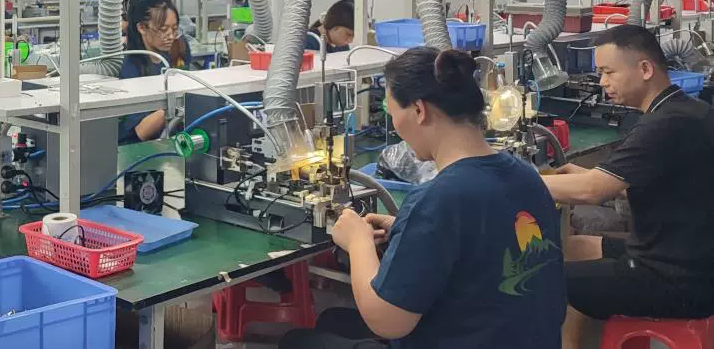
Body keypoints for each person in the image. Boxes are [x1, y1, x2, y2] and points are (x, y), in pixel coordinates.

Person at [280, 47, 565, 349]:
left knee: (297, 341)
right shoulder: (526, 175)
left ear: (419, 110)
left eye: (393, 115)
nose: (395, 127)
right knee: (333, 321)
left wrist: (358, 242)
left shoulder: (440, 198)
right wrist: (407, 228)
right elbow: (487, 239)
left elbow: (387, 321)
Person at [540, 25, 714, 349]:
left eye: (609, 72)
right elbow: (668, 185)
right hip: (689, 257)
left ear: (645, 69)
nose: (602, 82)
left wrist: (518, 180)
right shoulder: (690, 111)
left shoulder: (663, 124)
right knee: (576, 247)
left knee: (545, 280)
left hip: (678, 279)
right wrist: (600, 175)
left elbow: (592, 191)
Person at [117, 0, 187, 143]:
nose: (170, 36)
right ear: (141, 28)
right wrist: (176, 107)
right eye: (163, 30)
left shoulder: (170, 56)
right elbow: (140, 131)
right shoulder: (130, 67)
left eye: (174, 29)